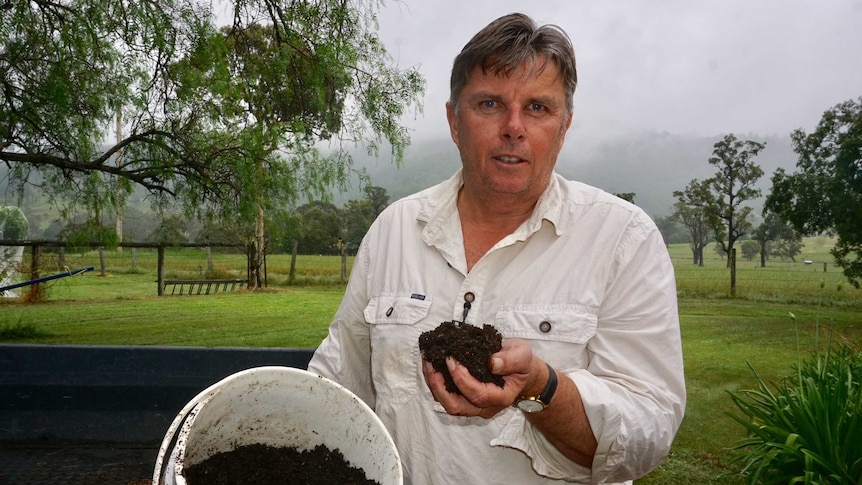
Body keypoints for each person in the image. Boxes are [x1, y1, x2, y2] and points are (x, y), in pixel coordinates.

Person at [307, 12, 686, 484]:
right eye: (489, 104)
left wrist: (542, 388)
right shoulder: (394, 230)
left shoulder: (622, 239)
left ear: (564, 126)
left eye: (537, 108)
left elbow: (647, 433)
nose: (513, 127)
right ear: (453, 120)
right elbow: (340, 382)